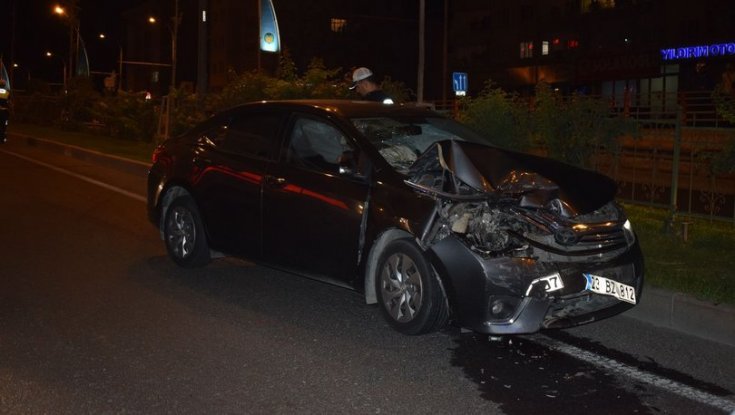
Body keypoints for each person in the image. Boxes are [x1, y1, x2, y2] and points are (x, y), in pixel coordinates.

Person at [0, 79, 9, 144]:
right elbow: (9, 102)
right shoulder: (7, 92)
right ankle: (3, 139)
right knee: (4, 126)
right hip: (5, 111)